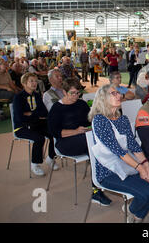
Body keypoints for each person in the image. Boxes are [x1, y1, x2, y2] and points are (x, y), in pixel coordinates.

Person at [89, 84, 149, 222]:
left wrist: (146, 164)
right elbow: (118, 151)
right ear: (103, 98)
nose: (119, 95)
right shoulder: (99, 120)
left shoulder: (122, 119)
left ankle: (135, 213)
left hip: (127, 166)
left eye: (119, 93)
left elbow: (133, 145)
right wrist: (140, 168)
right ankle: (134, 212)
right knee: (147, 192)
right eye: (114, 93)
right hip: (108, 172)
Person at [47, 77, 111, 205]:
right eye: (72, 93)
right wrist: (77, 131)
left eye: (78, 93)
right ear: (64, 92)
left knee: (98, 144)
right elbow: (55, 133)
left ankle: (101, 183)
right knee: (95, 147)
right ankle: (96, 190)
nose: (76, 96)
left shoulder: (81, 104)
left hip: (83, 138)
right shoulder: (57, 108)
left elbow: (89, 121)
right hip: (64, 143)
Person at [12, 73, 57, 176]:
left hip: (36, 124)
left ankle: (50, 158)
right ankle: (35, 164)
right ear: (24, 83)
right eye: (31, 81)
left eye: (35, 81)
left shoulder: (36, 96)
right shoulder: (18, 98)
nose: (34, 83)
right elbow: (20, 117)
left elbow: (44, 113)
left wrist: (31, 114)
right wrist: (36, 115)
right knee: (39, 138)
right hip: (21, 127)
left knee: (54, 133)